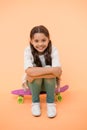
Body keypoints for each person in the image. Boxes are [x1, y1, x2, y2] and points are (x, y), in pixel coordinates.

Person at [22, 25, 62, 118]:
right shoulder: (28, 50)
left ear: (48, 39)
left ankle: (50, 103)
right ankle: (35, 102)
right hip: (33, 84)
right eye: (36, 41)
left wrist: (36, 70)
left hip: (49, 85)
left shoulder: (54, 49)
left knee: (44, 71)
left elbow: (58, 71)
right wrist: (49, 70)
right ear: (31, 41)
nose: (40, 44)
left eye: (43, 40)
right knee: (40, 74)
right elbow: (29, 71)